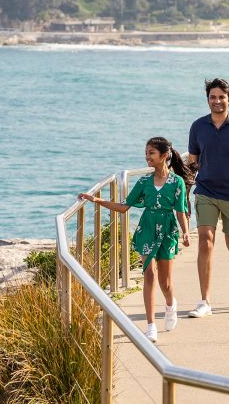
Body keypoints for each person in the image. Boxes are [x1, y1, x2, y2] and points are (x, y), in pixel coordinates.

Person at [79, 137, 192, 343]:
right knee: (149, 275)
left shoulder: (177, 183)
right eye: (146, 152)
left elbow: (180, 211)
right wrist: (97, 200)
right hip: (147, 228)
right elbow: (124, 206)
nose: (147, 156)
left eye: (151, 153)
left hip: (168, 231)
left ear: (164, 156)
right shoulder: (143, 182)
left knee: (165, 282)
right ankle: (150, 326)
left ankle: (170, 305)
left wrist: (185, 232)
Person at [187, 78, 229, 316]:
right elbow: (192, 163)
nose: (217, 101)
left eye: (221, 97)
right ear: (207, 100)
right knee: (205, 239)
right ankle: (205, 300)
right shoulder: (198, 127)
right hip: (205, 191)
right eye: (212, 97)